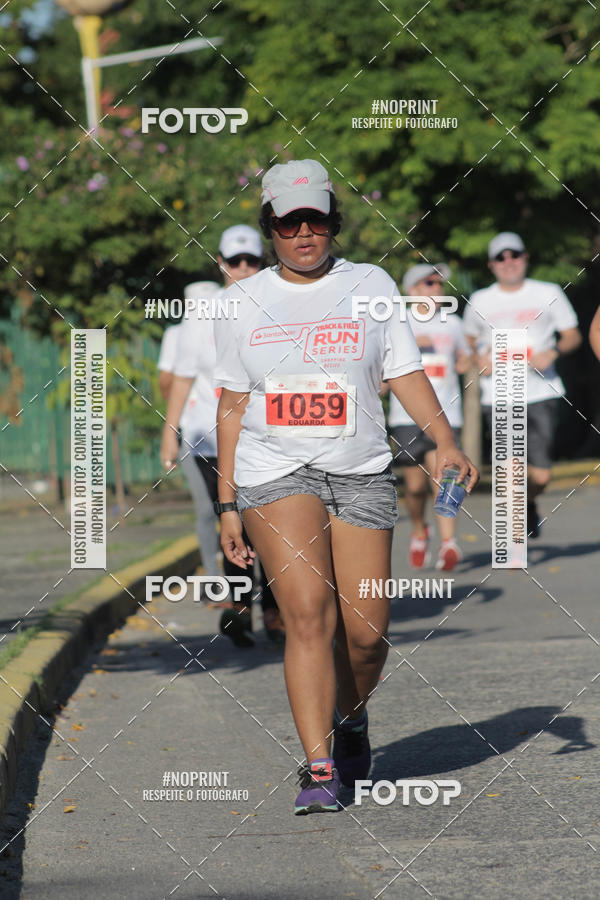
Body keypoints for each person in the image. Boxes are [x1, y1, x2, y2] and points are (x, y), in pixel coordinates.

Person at [213, 159, 479, 815]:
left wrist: (444, 440)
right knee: (308, 614)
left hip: (361, 469)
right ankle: (319, 767)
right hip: (275, 473)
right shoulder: (239, 302)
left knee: (365, 633)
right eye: (288, 221)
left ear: (332, 219)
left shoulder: (372, 284)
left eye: (316, 218)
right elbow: (230, 403)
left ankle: (351, 715)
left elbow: (405, 372)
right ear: (270, 227)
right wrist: (226, 504)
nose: (304, 232)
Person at [160, 227, 285, 645]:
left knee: (267, 521)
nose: (245, 269)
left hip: (264, 435)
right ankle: (240, 605)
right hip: (209, 438)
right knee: (229, 520)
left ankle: (273, 606)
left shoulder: (277, 306)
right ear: (221, 263)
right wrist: (169, 432)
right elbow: (180, 380)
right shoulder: (200, 316)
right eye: (236, 262)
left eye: (252, 260)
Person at [464, 232, 581, 538]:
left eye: (514, 254)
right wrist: (479, 358)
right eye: (501, 257)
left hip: (541, 392)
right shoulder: (480, 300)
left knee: (540, 475)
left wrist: (551, 352)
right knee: (511, 470)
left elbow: (572, 334)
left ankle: (529, 503)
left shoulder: (548, 291)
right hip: (500, 396)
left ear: (525, 258)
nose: (509, 262)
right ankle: (514, 537)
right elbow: (468, 340)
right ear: (491, 265)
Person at [387, 263, 472, 571]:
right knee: (414, 486)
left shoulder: (452, 323)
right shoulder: (398, 322)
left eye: (438, 284)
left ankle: (449, 543)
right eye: (429, 283)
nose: (437, 288)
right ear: (412, 291)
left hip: (446, 412)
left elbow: (465, 355)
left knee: (444, 476)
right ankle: (420, 529)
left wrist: (466, 362)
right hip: (405, 413)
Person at [157, 283, 222, 586]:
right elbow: (168, 384)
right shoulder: (178, 334)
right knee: (210, 511)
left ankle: (240, 585)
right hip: (194, 435)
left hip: (231, 434)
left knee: (229, 512)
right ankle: (214, 581)